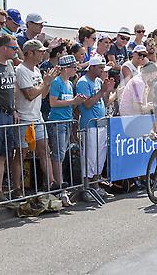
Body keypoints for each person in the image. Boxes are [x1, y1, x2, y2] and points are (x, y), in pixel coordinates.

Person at [11, 39, 61, 199]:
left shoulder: (37, 71)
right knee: (21, 153)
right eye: (40, 51)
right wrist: (45, 83)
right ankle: (17, 188)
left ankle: (51, 182)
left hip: (37, 117)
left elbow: (42, 94)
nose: (43, 54)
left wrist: (48, 83)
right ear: (30, 53)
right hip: (24, 118)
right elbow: (30, 95)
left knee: (45, 150)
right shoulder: (21, 70)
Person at [48, 55, 87, 206]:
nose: (76, 69)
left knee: (61, 154)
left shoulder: (69, 83)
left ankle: (60, 185)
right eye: (73, 67)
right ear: (66, 68)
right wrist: (73, 101)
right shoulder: (57, 82)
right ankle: (60, 188)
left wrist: (76, 101)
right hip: (57, 122)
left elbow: (66, 103)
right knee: (58, 154)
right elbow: (53, 102)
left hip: (66, 121)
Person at [76, 56, 116, 201]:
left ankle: (96, 187)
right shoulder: (83, 82)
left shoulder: (98, 81)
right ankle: (87, 188)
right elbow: (86, 104)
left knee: (99, 158)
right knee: (90, 158)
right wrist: (101, 91)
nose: (102, 71)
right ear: (91, 67)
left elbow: (103, 103)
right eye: (100, 68)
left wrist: (107, 91)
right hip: (90, 126)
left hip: (100, 124)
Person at [0, 34, 18, 212]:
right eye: (14, 48)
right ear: (3, 48)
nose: (16, 51)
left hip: (8, 115)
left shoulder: (10, 65)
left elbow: (11, 92)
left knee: (2, 157)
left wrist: (14, 109)